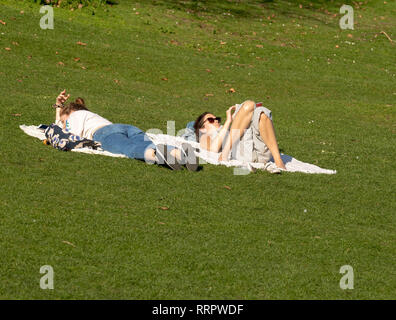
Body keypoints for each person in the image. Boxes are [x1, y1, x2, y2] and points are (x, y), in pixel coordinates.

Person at [53, 90, 198, 171]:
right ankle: (178, 152)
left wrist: (59, 108)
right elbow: (61, 123)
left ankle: (162, 156)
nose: (64, 123)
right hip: (127, 128)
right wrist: (59, 107)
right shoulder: (89, 115)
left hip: (104, 133)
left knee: (129, 149)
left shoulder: (74, 116)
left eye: (65, 120)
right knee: (142, 143)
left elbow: (62, 132)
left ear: (70, 112)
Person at [193, 100, 286, 171]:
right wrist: (228, 121)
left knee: (262, 115)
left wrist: (237, 119)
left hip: (262, 155)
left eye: (217, 118)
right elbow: (214, 148)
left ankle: (278, 160)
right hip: (242, 152)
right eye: (211, 120)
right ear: (202, 128)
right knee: (249, 105)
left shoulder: (225, 129)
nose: (216, 120)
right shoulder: (204, 136)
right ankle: (224, 154)